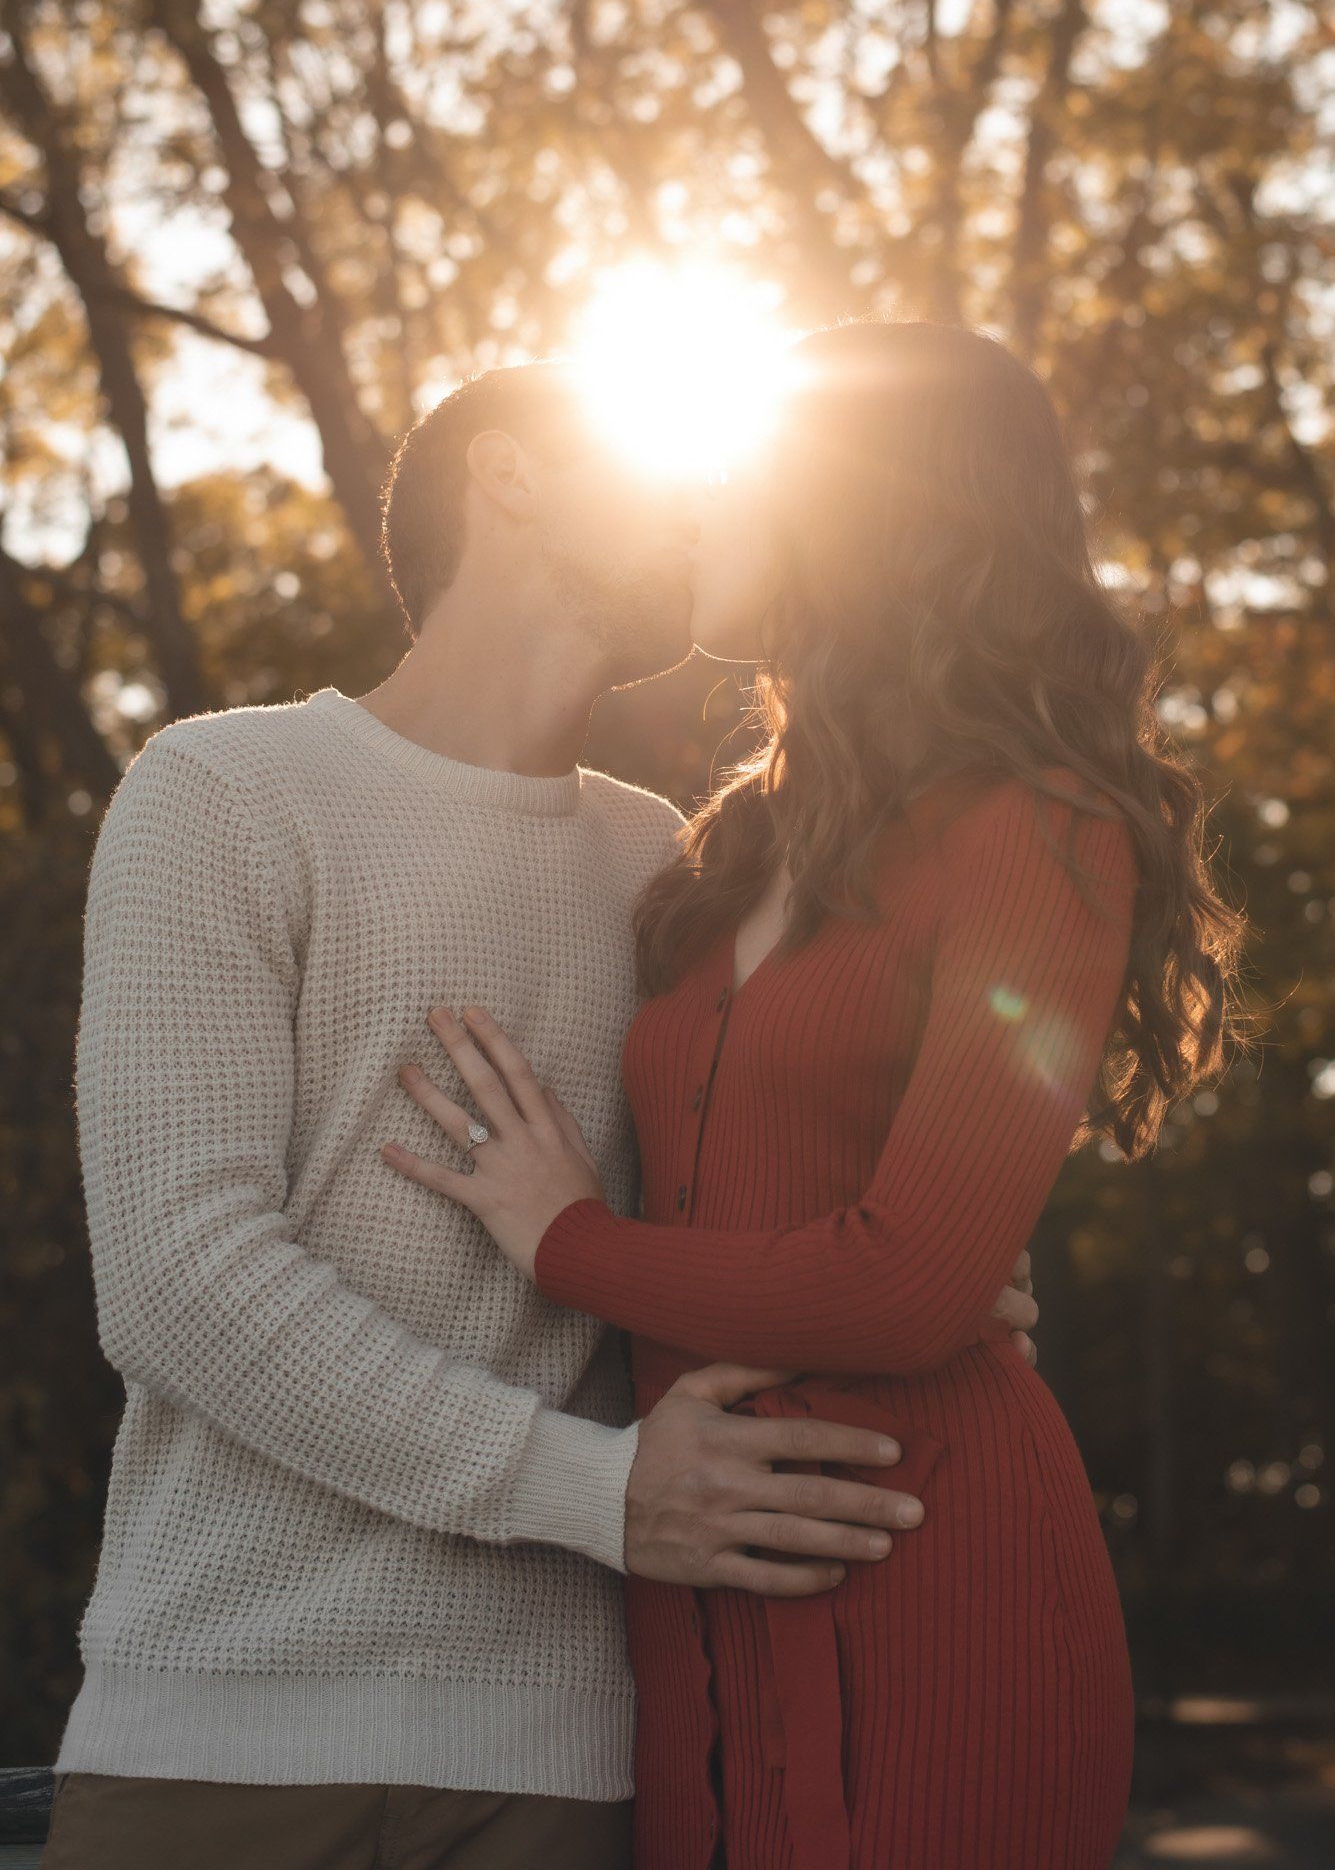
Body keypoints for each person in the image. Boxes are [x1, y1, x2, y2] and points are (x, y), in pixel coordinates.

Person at [42, 357, 1041, 1870]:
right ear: (509, 472)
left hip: (571, 1764)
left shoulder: (674, 867)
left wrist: (929, 1257)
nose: (710, 503)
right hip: (228, 1734)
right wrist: (597, 1489)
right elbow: (181, 1279)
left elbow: (741, 1220)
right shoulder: (226, 790)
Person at [384, 321, 1247, 1870]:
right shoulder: (722, 850)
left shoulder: (1041, 825)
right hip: (692, 1600)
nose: (699, 501)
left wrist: (567, 1241)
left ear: (865, 506)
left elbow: (910, 1284)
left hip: (935, 1576)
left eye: (740, 468)